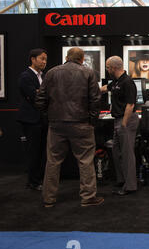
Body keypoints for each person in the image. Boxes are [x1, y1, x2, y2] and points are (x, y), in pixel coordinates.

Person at [35, 47, 104, 208]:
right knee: (86, 161)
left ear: (66, 57)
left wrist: (49, 116)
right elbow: (95, 100)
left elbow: (40, 99)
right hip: (81, 123)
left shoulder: (51, 72)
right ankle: (88, 197)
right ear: (82, 59)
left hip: (56, 124)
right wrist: (92, 121)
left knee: (53, 161)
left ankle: (48, 198)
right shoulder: (88, 73)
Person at [101, 56, 139, 196]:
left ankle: (130, 186)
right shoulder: (117, 81)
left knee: (127, 154)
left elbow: (131, 104)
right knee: (117, 152)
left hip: (126, 120)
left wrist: (124, 123)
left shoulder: (128, 82)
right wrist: (94, 90)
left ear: (113, 68)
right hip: (118, 120)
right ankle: (121, 180)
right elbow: (106, 88)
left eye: (108, 67)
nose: (107, 70)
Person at [17, 48, 48, 191]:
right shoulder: (25, 76)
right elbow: (35, 97)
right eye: (41, 59)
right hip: (31, 119)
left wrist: (40, 93)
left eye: (45, 59)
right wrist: (40, 94)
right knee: (33, 151)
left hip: (42, 118)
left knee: (42, 151)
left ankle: (38, 179)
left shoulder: (44, 76)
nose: (44, 62)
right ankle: (33, 181)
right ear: (33, 59)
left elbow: (42, 94)